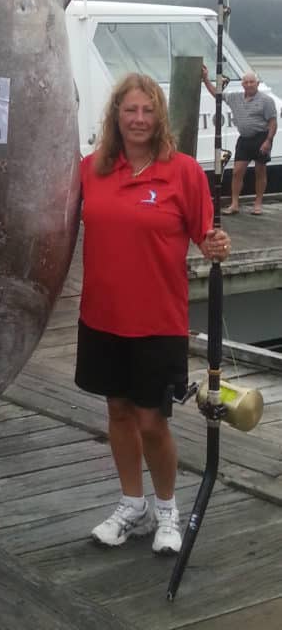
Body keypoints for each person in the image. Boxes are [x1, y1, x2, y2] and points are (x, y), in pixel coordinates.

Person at [75, 73, 231, 555]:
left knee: (152, 421)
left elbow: (207, 237)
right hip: (101, 317)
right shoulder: (89, 170)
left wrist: (216, 244)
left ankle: (167, 512)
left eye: (147, 111)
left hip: (158, 320)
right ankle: (132, 506)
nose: (138, 119)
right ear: (115, 116)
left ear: (159, 117)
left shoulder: (182, 171)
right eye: (130, 110)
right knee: (117, 413)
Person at [201, 66, 277, 215]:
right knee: (237, 172)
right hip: (244, 139)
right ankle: (234, 204)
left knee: (260, 171)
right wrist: (205, 78)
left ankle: (258, 203)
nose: (249, 84)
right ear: (242, 84)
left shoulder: (266, 100)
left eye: (252, 82)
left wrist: (268, 141)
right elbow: (216, 94)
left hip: (261, 137)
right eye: (246, 82)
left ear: (257, 83)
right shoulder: (235, 97)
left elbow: (273, 122)